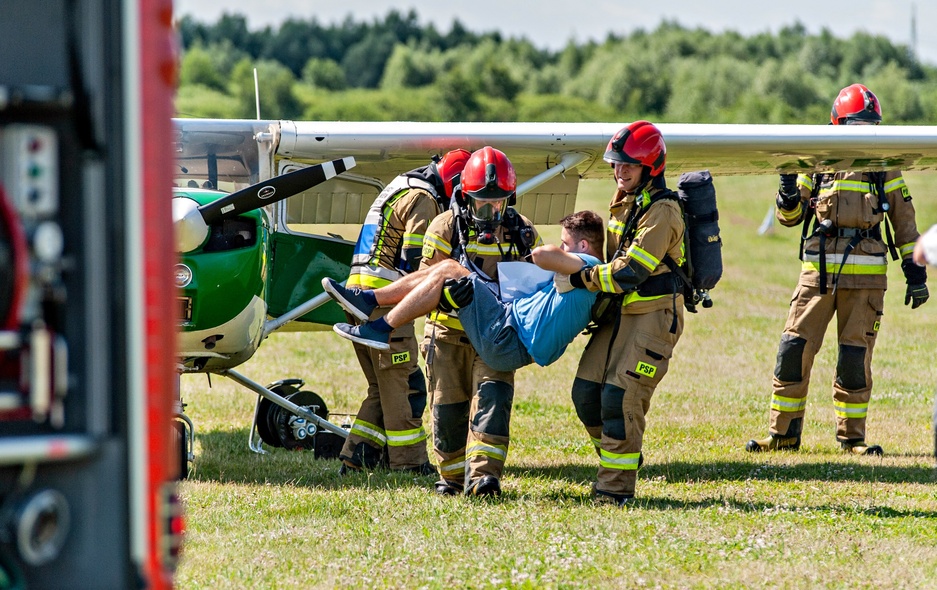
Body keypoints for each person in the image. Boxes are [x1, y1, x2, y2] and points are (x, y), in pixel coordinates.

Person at [336, 146, 540, 497]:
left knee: (492, 404)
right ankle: (452, 478)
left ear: (511, 199)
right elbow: (426, 279)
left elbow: (533, 284)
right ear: (465, 196)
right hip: (448, 334)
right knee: (448, 413)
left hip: (494, 336)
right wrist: (447, 296)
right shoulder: (444, 226)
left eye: (498, 203)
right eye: (481, 203)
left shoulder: (523, 232)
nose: (490, 212)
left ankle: (484, 478)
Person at [746, 83, 929, 457]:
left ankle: (852, 439)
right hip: (818, 276)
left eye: (870, 126)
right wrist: (787, 192)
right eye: (856, 125)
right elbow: (789, 217)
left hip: (866, 282)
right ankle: (783, 434)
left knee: (854, 360)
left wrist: (916, 274)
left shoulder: (883, 166)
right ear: (837, 124)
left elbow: (904, 222)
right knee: (793, 350)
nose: (864, 133)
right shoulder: (816, 162)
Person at [565, 120, 687, 506]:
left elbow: (631, 271)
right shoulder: (625, 200)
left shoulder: (663, 210)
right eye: (616, 164)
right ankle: (622, 456)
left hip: (653, 316)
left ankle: (614, 489)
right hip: (620, 313)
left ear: (651, 166)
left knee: (621, 399)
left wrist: (580, 277)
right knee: (586, 394)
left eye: (629, 165)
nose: (620, 171)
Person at [324, 210, 604, 373]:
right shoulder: (586, 277)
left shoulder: (589, 266)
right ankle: (369, 301)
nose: (562, 248)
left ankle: (381, 326)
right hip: (509, 328)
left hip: (509, 340)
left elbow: (543, 255)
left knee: (450, 269)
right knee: (446, 268)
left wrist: (551, 257)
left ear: (582, 247)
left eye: (566, 243)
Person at [335, 149, 470, 476]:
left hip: (359, 296)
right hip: (384, 304)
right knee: (406, 386)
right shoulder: (424, 199)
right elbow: (415, 260)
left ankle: (359, 457)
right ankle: (409, 463)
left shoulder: (400, 187)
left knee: (382, 388)